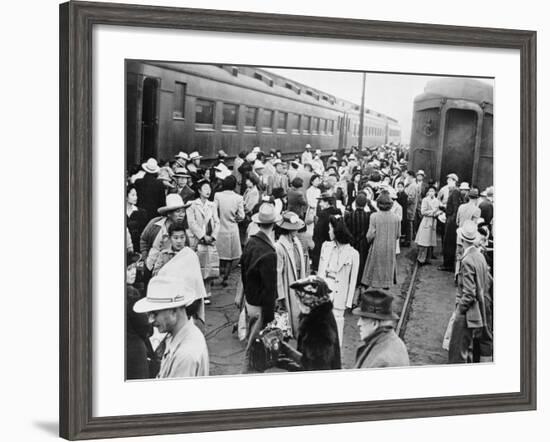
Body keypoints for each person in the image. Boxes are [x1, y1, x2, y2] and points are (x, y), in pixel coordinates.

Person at [133, 258, 209, 379]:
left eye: (155, 313)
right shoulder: (179, 336)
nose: (150, 320)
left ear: (174, 310)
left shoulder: (185, 355)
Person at [240, 203, 280, 373]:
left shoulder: (250, 242)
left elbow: (242, 271)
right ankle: (246, 375)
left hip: (249, 300)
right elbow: (269, 288)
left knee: (252, 341)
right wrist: (270, 317)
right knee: (255, 348)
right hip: (260, 306)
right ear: (274, 224)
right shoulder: (269, 252)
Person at [448, 220, 493, 363]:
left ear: (462, 239)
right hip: (481, 307)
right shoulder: (479, 256)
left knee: (457, 350)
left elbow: (468, 293)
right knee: (477, 345)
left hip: (468, 313)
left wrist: (459, 311)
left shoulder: (466, 260)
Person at [276, 276, 341, 371]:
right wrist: (285, 349)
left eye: (300, 298)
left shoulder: (318, 325)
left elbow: (315, 367)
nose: (298, 302)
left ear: (310, 300)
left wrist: (286, 363)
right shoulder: (320, 314)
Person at [317, 216, 359, 347]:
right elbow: (320, 270)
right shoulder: (326, 246)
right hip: (325, 292)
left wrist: (348, 301)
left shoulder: (353, 254)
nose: (328, 232)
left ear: (336, 231)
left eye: (330, 229)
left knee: (337, 326)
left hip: (340, 293)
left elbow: (353, 280)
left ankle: (336, 355)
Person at [352, 289, 410, 369]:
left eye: (363, 319)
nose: (358, 323)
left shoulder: (382, 361)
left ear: (375, 323)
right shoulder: (389, 340)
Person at [187, 180, 220, 304]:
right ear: (199, 190)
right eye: (205, 188)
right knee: (197, 266)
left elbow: (217, 221)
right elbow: (191, 223)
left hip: (210, 239)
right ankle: (196, 293)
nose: (208, 190)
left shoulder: (212, 205)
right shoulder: (192, 205)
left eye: (209, 188)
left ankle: (206, 293)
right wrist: (202, 235)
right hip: (197, 239)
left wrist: (213, 236)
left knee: (209, 264)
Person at [275, 212, 307, 338]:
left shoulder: (297, 242)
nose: (297, 230)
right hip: (287, 283)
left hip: (299, 282)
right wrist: (280, 296)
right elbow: (277, 273)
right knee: (288, 317)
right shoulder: (279, 247)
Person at [126, 251, 158, 379]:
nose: (133, 271)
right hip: (134, 350)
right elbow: (145, 327)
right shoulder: (130, 295)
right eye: (128, 269)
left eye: (134, 267)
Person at [361, 192, 400, 289]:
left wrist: (369, 241)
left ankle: (373, 283)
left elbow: (370, 235)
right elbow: (398, 235)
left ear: (378, 204)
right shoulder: (396, 218)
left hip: (377, 246)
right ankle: (386, 284)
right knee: (388, 265)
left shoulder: (374, 216)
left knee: (375, 265)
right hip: (390, 246)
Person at [143, 194, 190, 273]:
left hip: (172, 269)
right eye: (178, 211)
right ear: (169, 213)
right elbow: (143, 239)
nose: (181, 215)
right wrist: (145, 257)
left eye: (183, 211)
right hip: (151, 264)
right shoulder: (156, 224)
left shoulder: (183, 229)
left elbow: (187, 248)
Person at [214, 175, 245, 286]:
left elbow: (214, 212)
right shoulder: (238, 198)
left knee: (218, 255)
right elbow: (242, 216)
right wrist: (235, 218)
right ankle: (226, 277)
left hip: (220, 228)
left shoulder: (217, 195)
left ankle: (216, 276)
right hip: (232, 228)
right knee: (230, 256)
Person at [345, 192, 374, 284]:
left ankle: (351, 279)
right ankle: (360, 279)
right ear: (365, 204)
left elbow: (345, 228)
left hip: (352, 242)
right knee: (362, 261)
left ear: (355, 203)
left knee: (351, 261)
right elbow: (376, 212)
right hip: (364, 243)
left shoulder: (349, 215)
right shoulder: (369, 215)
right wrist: (370, 204)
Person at [311, 193, 341, 272]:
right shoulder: (338, 212)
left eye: (321, 202)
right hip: (336, 244)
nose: (320, 204)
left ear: (327, 202)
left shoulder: (323, 214)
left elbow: (318, 232)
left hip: (323, 245)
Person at [440, 173, 462, 272]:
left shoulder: (455, 192)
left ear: (454, 181)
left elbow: (456, 208)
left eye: (449, 180)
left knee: (448, 243)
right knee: (447, 243)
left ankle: (448, 265)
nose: (447, 182)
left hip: (451, 222)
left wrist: (451, 221)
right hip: (449, 219)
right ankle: (447, 264)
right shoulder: (453, 191)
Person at [415, 186, 442, 265]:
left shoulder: (437, 201)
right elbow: (423, 212)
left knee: (430, 241)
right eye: (430, 191)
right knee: (423, 241)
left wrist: (438, 212)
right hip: (426, 221)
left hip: (433, 222)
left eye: (433, 191)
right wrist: (433, 212)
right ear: (427, 192)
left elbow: (439, 209)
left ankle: (428, 258)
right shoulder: (425, 200)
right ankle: (421, 259)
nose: (431, 193)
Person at [126, 184, 147, 253]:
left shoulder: (141, 212)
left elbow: (144, 234)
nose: (136, 197)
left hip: (138, 248)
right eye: (133, 195)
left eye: (136, 195)